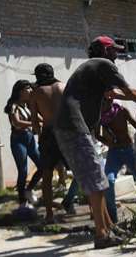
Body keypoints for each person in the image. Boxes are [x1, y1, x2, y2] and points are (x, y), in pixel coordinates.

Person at [54, 35, 136, 249]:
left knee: (98, 180)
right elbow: (129, 91)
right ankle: (102, 235)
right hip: (75, 128)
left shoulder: (92, 68)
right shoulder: (103, 64)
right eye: (114, 50)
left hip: (69, 128)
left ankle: (109, 227)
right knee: (97, 182)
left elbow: (113, 93)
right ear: (104, 51)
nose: (118, 53)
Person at [29, 63, 79, 222]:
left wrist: (39, 135)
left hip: (49, 133)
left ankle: (49, 214)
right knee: (81, 171)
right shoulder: (64, 87)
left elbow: (35, 122)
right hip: (67, 131)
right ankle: (93, 211)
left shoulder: (35, 93)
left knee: (47, 175)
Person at [97, 92, 136, 223]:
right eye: (100, 103)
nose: (102, 106)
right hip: (114, 153)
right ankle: (113, 219)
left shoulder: (122, 111)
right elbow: (97, 135)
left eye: (104, 102)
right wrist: (108, 143)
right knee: (109, 181)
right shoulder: (100, 117)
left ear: (110, 101)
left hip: (129, 149)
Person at [4, 80, 42, 208]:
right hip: (18, 139)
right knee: (23, 170)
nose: (30, 91)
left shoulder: (27, 105)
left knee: (42, 166)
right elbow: (17, 123)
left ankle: (28, 190)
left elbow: (38, 118)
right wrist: (34, 124)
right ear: (20, 91)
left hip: (29, 138)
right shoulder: (13, 106)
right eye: (28, 89)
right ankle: (22, 200)